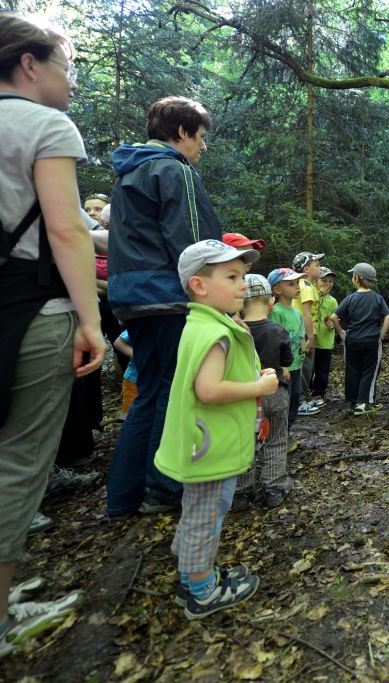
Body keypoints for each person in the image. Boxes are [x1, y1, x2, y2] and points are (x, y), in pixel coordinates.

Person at [0, 14, 104, 673]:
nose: (70, 80)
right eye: (65, 66)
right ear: (30, 65)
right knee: (13, 468)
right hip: (28, 312)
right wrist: (90, 320)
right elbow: (66, 231)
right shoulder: (44, 124)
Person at [105, 95, 222, 518]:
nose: (203, 147)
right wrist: (213, 295)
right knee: (174, 392)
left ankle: (122, 497)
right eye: (200, 136)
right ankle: (163, 487)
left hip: (132, 296)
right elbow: (192, 243)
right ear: (182, 131)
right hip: (168, 296)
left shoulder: (130, 172)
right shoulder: (174, 170)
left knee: (151, 391)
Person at [155, 239, 269, 619]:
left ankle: (192, 575)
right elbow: (209, 389)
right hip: (208, 445)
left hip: (206, 441)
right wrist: (259, 387)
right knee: (205, 514)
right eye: (232, 277)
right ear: (199, 285)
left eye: (243, 276)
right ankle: (201, 591)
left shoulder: (204, 323)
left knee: (202, 509)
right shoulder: (213, 333)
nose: (243, 285)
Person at [235, 273, 294, 510]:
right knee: (277, 440)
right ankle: (274, 488)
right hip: (275, 392)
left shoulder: (235, 330)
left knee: (244, 442)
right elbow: (287, 360)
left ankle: (241, 491)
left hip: (246, 396)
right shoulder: (277, 330)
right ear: (270, 301)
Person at [330, 263, 389, 415]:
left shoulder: (350, 298)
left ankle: (353, 401)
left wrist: (341, 332)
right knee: (369, 371)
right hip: (371, 340)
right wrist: (381, 335)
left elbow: (334, 317)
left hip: (352, 340)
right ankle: (364, 403)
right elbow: (388, 317)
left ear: (356, 279)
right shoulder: (377, 298)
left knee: (352, 370)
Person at [268, 267, 306, 432]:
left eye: (297, 283)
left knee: (295, 396)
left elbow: (300, 333)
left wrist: (304, 344)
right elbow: (274, 340)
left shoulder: (296, 312)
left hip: (296, 363)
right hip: (284, 368)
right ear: (277, 289)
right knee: (284, 399)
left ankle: (288, 430)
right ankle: (280, 432)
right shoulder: (276, 312)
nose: (297, 287)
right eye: (291, 284)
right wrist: (282, 366)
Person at [292, 251, 325, 416]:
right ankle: (300, 402)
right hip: (305, 333)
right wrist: (310, 337)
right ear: (306, 269)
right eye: (317, 265)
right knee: (305, 367)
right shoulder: (305, 287)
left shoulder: (307, 286)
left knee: (307, 367)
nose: (320, 268)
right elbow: (306, 313)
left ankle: (305, 396)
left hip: (306, 332)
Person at [311, 267, 338, 404]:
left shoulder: (332, 301)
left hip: (325, 341)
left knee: (322, 369)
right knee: (308, 369)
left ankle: (319, 393)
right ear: (315, 281)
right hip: (310, 340)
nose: (328, 284)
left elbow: (336, 317)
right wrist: (318, 295)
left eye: (330, 281)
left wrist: (333, 323)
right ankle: (307, 392)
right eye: (324, 280)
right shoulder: (309, 297)